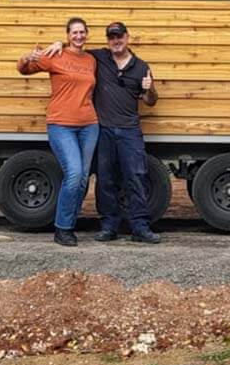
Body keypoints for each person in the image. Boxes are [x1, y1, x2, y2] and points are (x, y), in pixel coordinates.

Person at [44, 20, 160, 243]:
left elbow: (151, 101)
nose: (116, 41)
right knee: (106, 180)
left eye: (119, 36)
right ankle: (109, 226)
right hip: (104, 129)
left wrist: (149, 89)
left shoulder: (141, 67)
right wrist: (60, 43)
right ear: (108, 40)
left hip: (130, 130)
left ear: (127, 37)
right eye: (111, 37)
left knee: (136, 176)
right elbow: (76, 48)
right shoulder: (99, 58)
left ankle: (140, 227)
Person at [17, 16, 99, 247]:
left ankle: (70, 222)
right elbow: (24, 69)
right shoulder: (55, 55)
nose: (79, 36)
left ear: (87, 34)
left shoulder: (91, 60)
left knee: (82, 179)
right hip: (61, 124)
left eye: (82, 32)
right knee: (74, 174)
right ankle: (62, 229)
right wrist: (27, 57)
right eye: (74, 32)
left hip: (89, 125)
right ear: (68, 35)